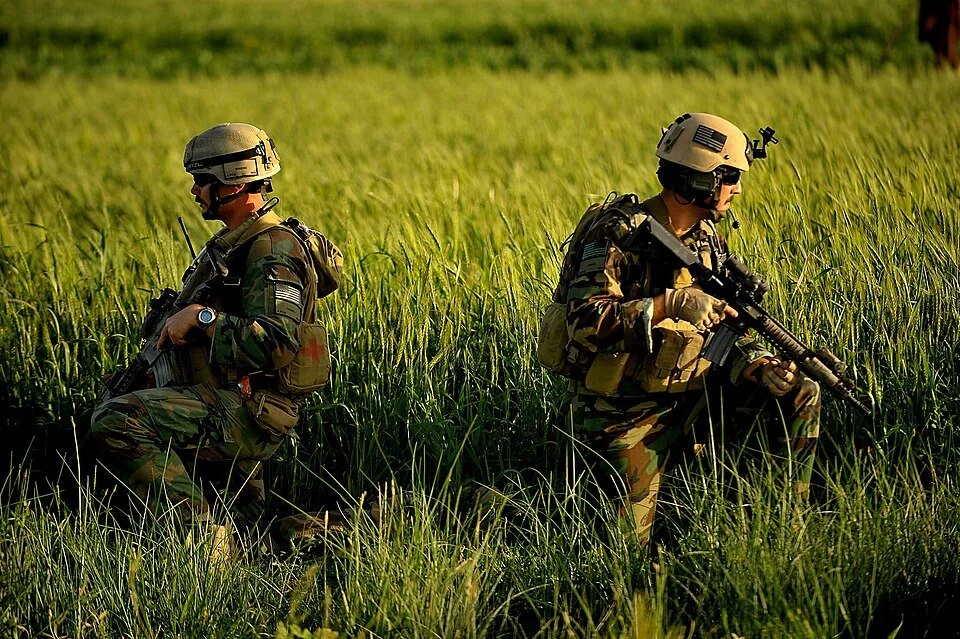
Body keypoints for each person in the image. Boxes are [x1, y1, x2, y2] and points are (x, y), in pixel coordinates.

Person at [541, 113, 821, 543]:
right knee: (624, 549)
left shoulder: (706, 240)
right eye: (729, 177)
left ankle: (786, 531)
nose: (738, 188)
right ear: (697, 180)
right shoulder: (618, 232)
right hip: (622, 413)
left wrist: (755, 364)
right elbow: (585, 322)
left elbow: (724, 328)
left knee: (800, 389)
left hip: (693, 397)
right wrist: (669, 303)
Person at [85, 123, 342, 543]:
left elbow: (276, 342)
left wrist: (201, 319)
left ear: (235, 184)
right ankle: (343, 526)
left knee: (117, 421)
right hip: (222, 396)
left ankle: (204, 542)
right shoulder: (232, 245)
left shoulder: (272, 249)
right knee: (261, 536)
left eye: (203, 180)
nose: (194, 191)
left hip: (248, 411)